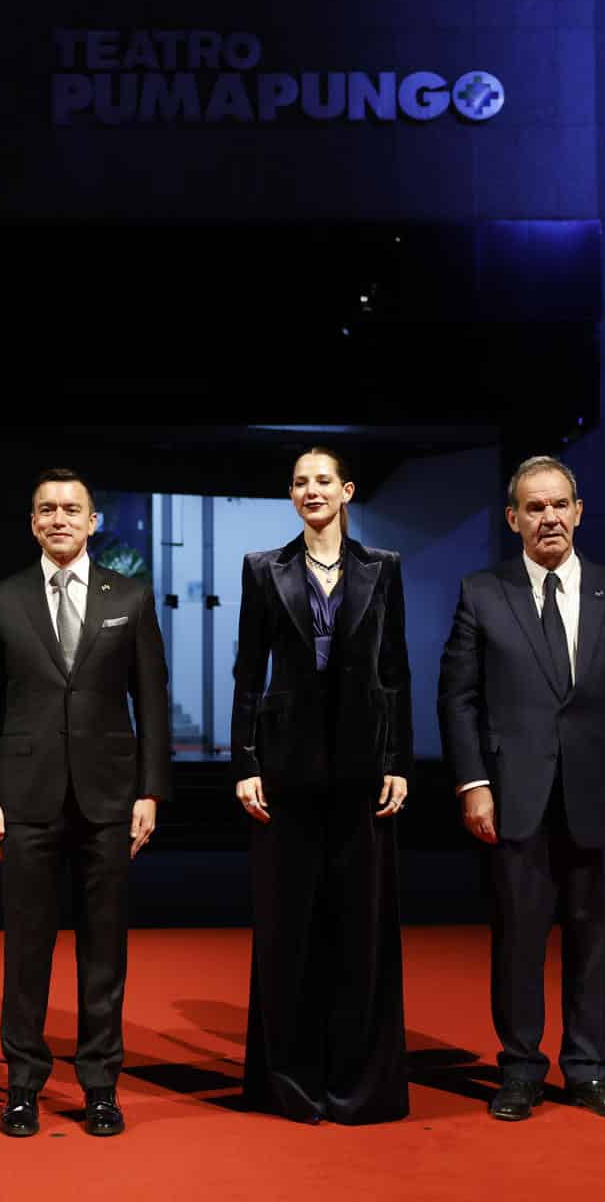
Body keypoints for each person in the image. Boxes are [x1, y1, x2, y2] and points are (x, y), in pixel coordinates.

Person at [437, 455, 605, 1121]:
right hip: (514, 797)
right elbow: (459, 699)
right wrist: (473, 783)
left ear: (579, 511)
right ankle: (520, 1071)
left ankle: (591, 1070)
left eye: (559, 504)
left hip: (600, 795)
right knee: (518, 939)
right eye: (534, 508)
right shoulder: (482, 591)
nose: (549, 517)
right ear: (513, 520)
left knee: (595, 940)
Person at [0, 470, 171, 1137]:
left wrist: (150, 790)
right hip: (23, 800)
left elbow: (154, 702)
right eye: (47, 509)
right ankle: (22, 1085)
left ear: (93, 521)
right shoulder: (0, 601)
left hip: (110, 798)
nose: (59, 519)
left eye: (71, 509)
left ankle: (101, 1086)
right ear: (33, 523)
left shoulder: (131, 599)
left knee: (104, 948)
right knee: (26, 948)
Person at [228, 447, 412, 1125]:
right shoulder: (261, 570)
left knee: (361, 928)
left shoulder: (383, 569)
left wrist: (398, 759)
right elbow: (248, 672)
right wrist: (244, 762)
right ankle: (290, 1083)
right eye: (301, 482)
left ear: (347, 491)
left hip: (364, 769)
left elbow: (395, 671)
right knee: (289, 929)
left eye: (323, 481)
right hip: (285, 770)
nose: (312, 490)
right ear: (292, 495)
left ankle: (360, 1084)